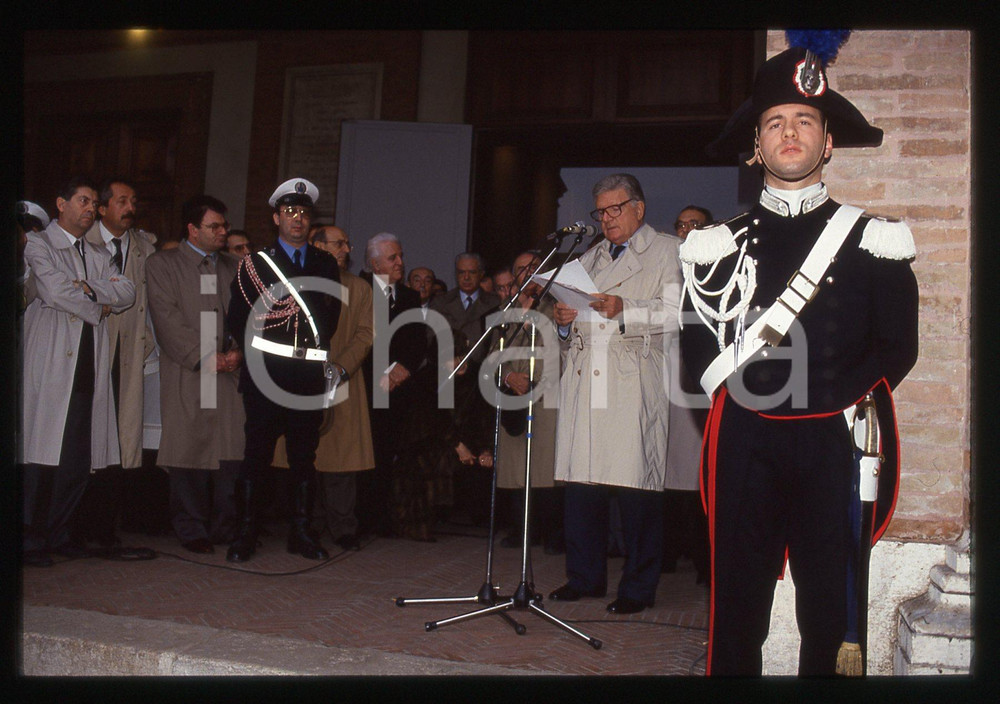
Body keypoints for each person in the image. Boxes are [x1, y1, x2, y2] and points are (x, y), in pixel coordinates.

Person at [679, 41, 919, 676]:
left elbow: (899, 347)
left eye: (804, 120)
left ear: (828, 141)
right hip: (745, 442)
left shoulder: (875, 240)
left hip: (833, 447)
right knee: (736, 613)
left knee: (831, 619)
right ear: (756, 144)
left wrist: (833, 401)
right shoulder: (714, 247)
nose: (791, 133)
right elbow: (694, 355)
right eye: (775, 122)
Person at [548, 173, 681, 615]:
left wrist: (626, 308)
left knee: (636, 491)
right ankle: (584, 577)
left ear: (638, 209)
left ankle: (638, 588)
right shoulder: (589, 257)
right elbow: (574, 324)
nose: (606, 219)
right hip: (588, 377)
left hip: (632, 377)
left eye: (615, 209)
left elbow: (679, 313)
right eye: (600, 212)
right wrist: (564, 321)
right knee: (583, 487)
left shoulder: (667, 250)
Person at [20, 177, 136, 567]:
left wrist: (86, 289)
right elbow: (53, 291)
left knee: (77, 457)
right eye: (82, 201)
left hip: (88, 364)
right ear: (60, 204)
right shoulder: (38, 244)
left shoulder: (99, 252)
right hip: (52, 363)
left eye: (92, 203)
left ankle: (61, 533)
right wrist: (96, 301)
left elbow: (126, 292)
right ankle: (31, 538)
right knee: (42, 456)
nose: (90, 209)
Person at [226, 178, 342, 562]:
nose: (298, 219)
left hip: (307, 374)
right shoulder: (256, 264)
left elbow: (331, 317)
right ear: (276, 217)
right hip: (266, 372)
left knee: (303, 457)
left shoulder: (326, 263)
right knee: (256, 454)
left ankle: (301, 532)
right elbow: (238, 319)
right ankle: (245, 533)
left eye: (304, 213)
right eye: (290, 212)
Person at [146, 195, 245, 554]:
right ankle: (191, 529)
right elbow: (166, 319)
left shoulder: (234, 267)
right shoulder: (163, 264)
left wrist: (237, 353)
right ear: (192, 229)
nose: (223, 232)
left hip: (229, 374)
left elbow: (250, 317)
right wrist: (205, 357)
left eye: (224, 226)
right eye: (214, 226)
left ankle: (225, 526)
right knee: (188, 453)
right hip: (189, 371)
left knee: (230, 451)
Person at [68, 178, 159, 549]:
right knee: (86, 439)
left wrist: (146, 343)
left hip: (129, 359)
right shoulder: (81, 246)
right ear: (103, 208)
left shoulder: (145, 248)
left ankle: (105, 529)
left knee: (120, 443)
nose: (130, 207)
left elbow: (153, 306)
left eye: (133, 200)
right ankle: (75, 528)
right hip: (90, 356)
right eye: (121, 201)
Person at [272, 224, 374, 551]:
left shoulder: (359, 288)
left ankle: (344, 527)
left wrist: (341, 366)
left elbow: (366, 333)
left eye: (347, 243)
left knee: (342, 462)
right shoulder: (293, 282)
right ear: (317, 246)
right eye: (339, 243)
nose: (346, 249)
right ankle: (305, 525)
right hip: (299, 380)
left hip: (343, 380)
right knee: (303, 457)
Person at [356, 232, 426, 538]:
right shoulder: (360, 291)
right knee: (362, 455)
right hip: (365, 389)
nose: (400, 262)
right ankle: (358, 520)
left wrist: (402, 368)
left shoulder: (410, 297)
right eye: (392, 258)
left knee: (388, 454)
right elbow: (356, 338)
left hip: (399, 391)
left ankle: (383, 518)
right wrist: (381, 372)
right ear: (374, 263)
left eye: (400, 256)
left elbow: (417, 341)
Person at [493, 250, 564, 555]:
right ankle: (521, 529)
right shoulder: (504, 311)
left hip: (548, 393)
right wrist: (508, 376)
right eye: (521, 269)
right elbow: (492, 355)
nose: (527, 273)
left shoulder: (557, 306)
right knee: (517, 463)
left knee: (545, 464)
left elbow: (565, 349)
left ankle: (550, 530)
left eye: (534, 267)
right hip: (514, 394)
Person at [429, 252, 501, 525]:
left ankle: (478, 511)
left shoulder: (494, 303)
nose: (467, 277)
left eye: (472, 272)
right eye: (461, 272)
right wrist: (448, 357)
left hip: (479, 379)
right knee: (446, 434)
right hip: (446, 378)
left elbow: (498, 342)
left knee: (477, 437)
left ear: (481, 274)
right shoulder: (441, 302)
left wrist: (474, 363)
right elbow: (430, 334)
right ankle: (442, 507)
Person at [662, 205, 713, 584]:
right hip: (663, 375)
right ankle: (666, 552)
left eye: (694, 224)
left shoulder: (718, 265)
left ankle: (704, 560)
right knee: (666, 474)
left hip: (702, 382)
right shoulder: (665, 265)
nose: (685, 231)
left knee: (698, 474)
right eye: (680, 224)